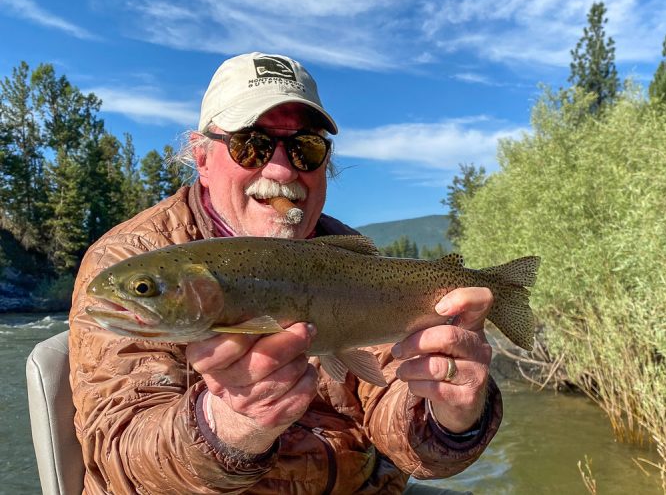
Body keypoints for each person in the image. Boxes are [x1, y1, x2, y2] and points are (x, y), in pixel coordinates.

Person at [69, 52, 502, 494]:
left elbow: (396, 418)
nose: (280, 169)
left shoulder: (353, 261)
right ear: (201, 157)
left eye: (305, 148)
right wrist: (226, 427)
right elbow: (119, 454)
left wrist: (451, 416)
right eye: (250, 145)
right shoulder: (133, 257)